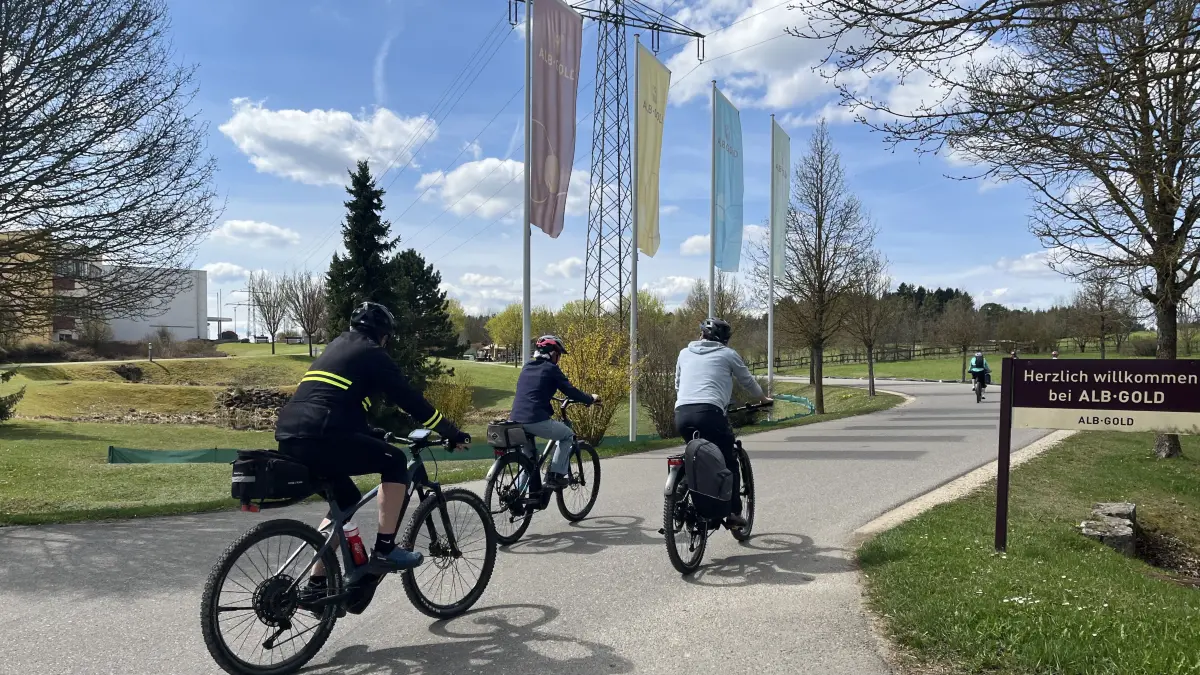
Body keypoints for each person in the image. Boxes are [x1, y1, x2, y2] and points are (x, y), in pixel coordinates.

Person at [275, 302, 470, 602]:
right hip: (324, 435)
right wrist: (451, 432)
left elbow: (333, 401)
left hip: (290, 435)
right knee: (395, 461)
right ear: (383, 335)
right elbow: (411, 401)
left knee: (346, 501)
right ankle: (385, 549)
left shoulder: (335, 347)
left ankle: (316, 584)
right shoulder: (373, 353)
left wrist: (368, 433)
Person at [674, 318, 771, 530]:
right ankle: (734, 513)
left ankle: (682, 487)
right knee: (728, 459)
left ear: (701, 335)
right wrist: (763, 399)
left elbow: (678, 385)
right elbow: (747, 381)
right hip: (711, 413)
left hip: (682, 413)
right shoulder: (728, 354)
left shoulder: (684, 353)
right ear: (725, 340)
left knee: (695, 456)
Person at [509, 335, 599, 490]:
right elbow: (570, 391)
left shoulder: (527, 366)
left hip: (515, 420)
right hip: (534, 419)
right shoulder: (551, 369)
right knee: (567, 435)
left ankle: (516, 494)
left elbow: (532, 391)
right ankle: (555, 476)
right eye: (559, 355)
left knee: (530, 460)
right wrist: (590, 398)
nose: (559, 359)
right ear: (553, 353)